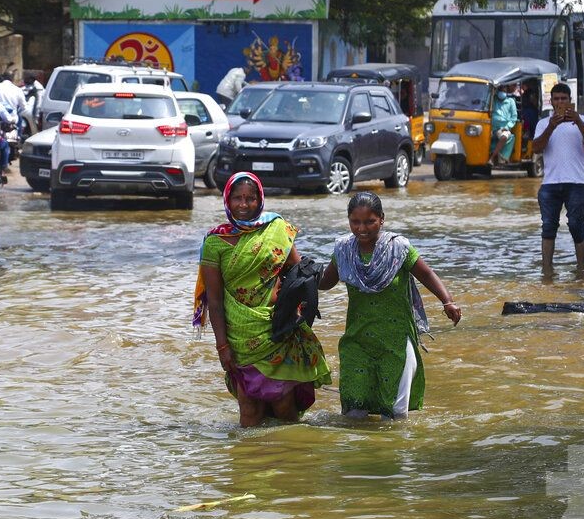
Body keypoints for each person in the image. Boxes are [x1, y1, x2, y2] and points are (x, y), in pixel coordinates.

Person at [193, 172, 331, 427]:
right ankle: (247, 462)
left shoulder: (276, 230)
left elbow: (298, 270)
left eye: (250, 198)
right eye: (237, 198)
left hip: (275, 331)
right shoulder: (215, 243)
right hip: (239, 337)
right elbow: (214, 300)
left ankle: (288, 459)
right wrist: (222, 347)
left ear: (260, 201)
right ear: (227, 200)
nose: (243, 205)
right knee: (249, 408)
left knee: (283, 405)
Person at [319, 191, 461, 420]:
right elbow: (325, 281)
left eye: (369, 222)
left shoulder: (399, 248)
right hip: (358, 339)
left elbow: (427, 274)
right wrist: (296, 277)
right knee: (353, 410)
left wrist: (447, 301)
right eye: (355, 222)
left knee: (394, 415)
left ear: (381, 219)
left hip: (395, 340)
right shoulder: (343, 251)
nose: (362, 228)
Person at [531, 83, 584, 274]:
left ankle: (581, 270)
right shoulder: (544, 123)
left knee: (577, 226)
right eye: (556, 99)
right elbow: (536, 148)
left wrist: (577, 121)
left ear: (570, 101)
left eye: (564, 99)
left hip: (576, 182)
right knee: (548, 227)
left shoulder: (582, 120)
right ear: (551, 102)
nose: (560, 102)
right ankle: (547, 270)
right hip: (550, 183)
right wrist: (551, 126)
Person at [489, 83, 519, 166]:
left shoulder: (511, 101)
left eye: (504, 90)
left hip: (503, 129)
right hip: (490, 128)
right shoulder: (493, 100)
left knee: (504, 136)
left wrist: (507, 127)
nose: (502, 92)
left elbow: (514, 117)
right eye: (500, 90)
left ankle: (492, 158)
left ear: (507, 91)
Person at [0, 76, 27, 141]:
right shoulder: (18, 90)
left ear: (2, 78)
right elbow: (24, 107)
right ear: (12, 79)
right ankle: (18, 137)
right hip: (13, 118)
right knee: (20, 118)